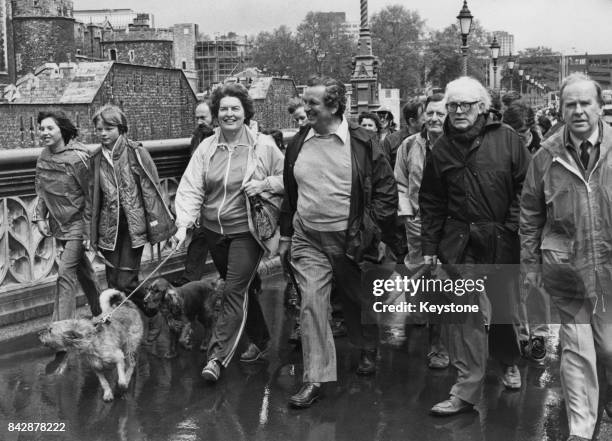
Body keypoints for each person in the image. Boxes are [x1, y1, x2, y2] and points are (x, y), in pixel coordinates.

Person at [279, 76, 397, 408]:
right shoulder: (299, 141)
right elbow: (292, 190)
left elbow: (386, 197)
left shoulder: (364, 143)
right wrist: (288, 233)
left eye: (312, 103)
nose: (305, 109)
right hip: (308, 237)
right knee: (311, 304)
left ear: (333, 105)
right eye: (304, 102)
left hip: (349, 239)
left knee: (356, 300)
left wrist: (368, 233)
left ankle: (367, 348)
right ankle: (315, 377)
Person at [419, 77, 530, 416]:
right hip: (459, 244)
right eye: (452, 106)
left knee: (504, 312)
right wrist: (430, 245)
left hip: (500, 240)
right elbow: (431, 200)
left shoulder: (507, 140)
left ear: (482, 107)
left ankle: (508, 360)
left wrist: (511, 228)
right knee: (464, 315)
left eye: (465, 105)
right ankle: (465, 389)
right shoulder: (441, 149)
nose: (457, 112)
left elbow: (526, 189)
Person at [520, 73, 612, 441]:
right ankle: (581, 428)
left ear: (599, 107)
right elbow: (530, 215)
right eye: (569, 104)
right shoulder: (546, 155)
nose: (577, 111)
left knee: (608, 348)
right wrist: (530, 268)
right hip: (566, 267)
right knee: (576, 351)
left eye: (584, 103)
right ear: (560, 109)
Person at [174, 83, 284, 382]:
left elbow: (288, 178)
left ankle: (216, 357)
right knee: (244, 289)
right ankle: (261, 341)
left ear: (245, 112)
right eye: (223, 109)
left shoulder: (263, 145)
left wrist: (264, 185)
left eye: (235, 108)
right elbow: (191, 187)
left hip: (247, 232)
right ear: (215, 114)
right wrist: (183, 225)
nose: (229, 114)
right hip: (213, 231)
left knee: (233, 291)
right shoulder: (207, 147)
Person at [86, 105, 176, 313]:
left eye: (108, 128)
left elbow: (152, 189)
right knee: (113, 283)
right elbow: (93, 199)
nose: (103, 133)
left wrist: (161, 226)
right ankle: (129, 326)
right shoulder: (96, 158)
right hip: (109, 228)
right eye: (99, 129)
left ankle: (157, 314)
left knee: (125, 282)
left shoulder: (136, 151)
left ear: (121, 128)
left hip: (133, 227)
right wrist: (89, 235)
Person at [394, 93, 449, 369]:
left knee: (442, 281)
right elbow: (401, 183)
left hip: (450, 227)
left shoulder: (457, 145)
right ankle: (420, 309)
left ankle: (438, 344)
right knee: (418, 271)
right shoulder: (408, 146)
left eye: (441, 113)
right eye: (430, 113)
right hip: (418, 223)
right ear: (423, 116)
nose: (435, 118)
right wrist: (407, 215)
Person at [34, 110, 101, 322]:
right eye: (42, 128)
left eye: (49, 128)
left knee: (65, 273)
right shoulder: (43, 156)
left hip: (78, 223)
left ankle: (62, 331)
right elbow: (41, 189)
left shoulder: (79, 157)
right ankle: (101, 311)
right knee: (82, 270)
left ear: (61, 130)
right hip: (58, 222)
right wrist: (41, 217)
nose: (44, 132)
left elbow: (91, 195)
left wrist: (90, 230)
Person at [502, 101, 548, 364]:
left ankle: (539, 333)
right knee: (512, 285)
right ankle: (520, 334)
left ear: (529, 129)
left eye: (520, 133)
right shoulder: (503, 149)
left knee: (534, 281)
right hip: (510, 225)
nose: (516, 137)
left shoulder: (543, 152)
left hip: (536, 227)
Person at [175, 101, 216, 287]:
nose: (199, 121)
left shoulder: (214, 137)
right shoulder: (198, 137)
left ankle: (190, 281)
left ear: (213, 117)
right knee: (200, 240)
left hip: (217, 202)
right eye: (197, 117)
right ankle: (190, 280)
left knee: (203, 241)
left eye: (203, 117)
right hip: (204, 201)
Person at [380, 99, 424, 170]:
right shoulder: (391, 141)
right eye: (423, 118)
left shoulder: (430, 138)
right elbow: (385, 171)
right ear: (412, 121)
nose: (428, 120)